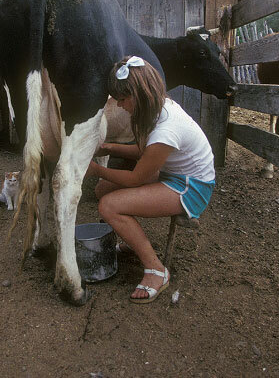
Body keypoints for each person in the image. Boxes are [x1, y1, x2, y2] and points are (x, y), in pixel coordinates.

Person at [86, 55, 215, 303]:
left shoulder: (168, 128)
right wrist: (109, 148)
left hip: (191, 188)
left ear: (138, 94)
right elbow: (145, 151)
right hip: (172, 174)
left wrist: (95, 169)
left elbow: (135, 178)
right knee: (103, 190)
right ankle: (132, 241)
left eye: (122, 99)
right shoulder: (158, 109)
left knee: (109, 205)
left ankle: (156, 271)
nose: (119, 105)